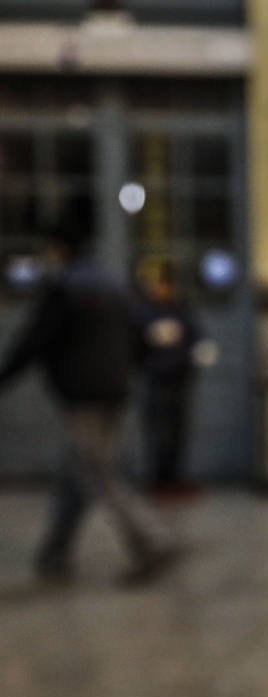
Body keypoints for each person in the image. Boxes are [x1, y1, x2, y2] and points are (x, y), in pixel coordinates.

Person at [0, 213, 177, 583]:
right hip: (114, 390)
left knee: (98, 473)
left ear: (59, 247)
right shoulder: (113, 284)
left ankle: (151, 542)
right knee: (78, 469)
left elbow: (34, 341)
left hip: (84, 394)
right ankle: (54, 553)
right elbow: (142, 337)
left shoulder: (65, 288)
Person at [134, 258, 203, 495]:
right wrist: (149, 339)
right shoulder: (144, 311)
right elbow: (134, 344)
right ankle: (158, 478)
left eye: (166, 285)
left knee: (178, 430)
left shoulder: (181, 310)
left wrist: (197, 352)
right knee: (158, 430)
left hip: (180, 377)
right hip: (156, 378)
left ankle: (174, 477)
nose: (162, 290)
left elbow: (195, 337)